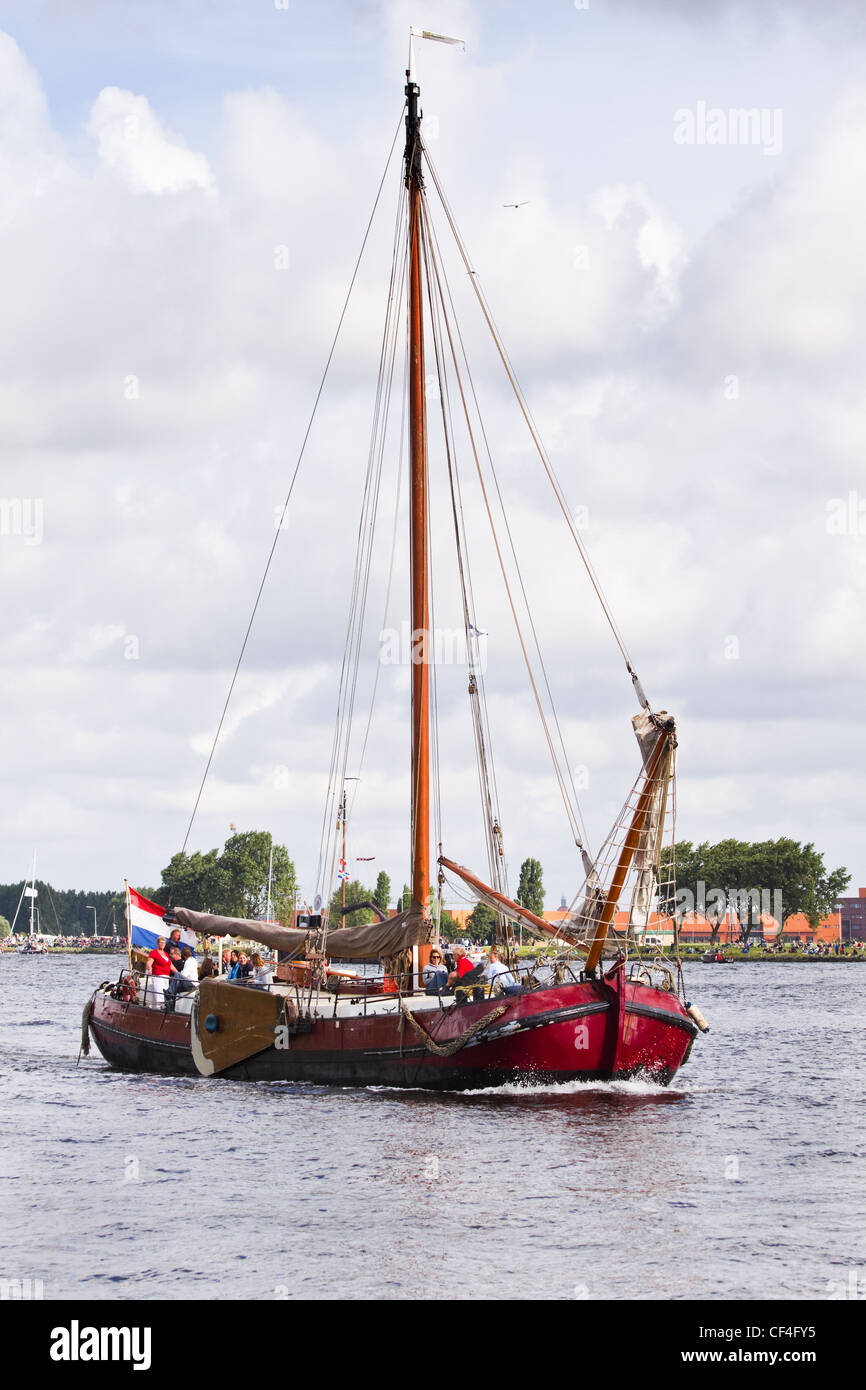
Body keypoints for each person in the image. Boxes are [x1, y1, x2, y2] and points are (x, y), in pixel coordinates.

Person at [165, 945, 199, 1011]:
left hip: (191, 984)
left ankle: (169, 992)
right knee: (175, 990)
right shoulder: (194, 960)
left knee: (177, 974)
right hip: (194, 983)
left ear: (183, 955)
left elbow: (184, 975)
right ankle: (170, 1005)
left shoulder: (188, 962)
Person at [145, 936, 172, 1008]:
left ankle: (161, 1008)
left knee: (165, 995)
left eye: (164, 943)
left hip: (166, 977)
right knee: (159, 995)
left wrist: (178, 973)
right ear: (157, 944)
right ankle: (159, 1009)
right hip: (158, 977)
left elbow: (170, 965)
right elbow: (149, 962)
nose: (162, 944)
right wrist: (149, 969)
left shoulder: (166, 954)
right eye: (161, 943)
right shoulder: (154, 953)